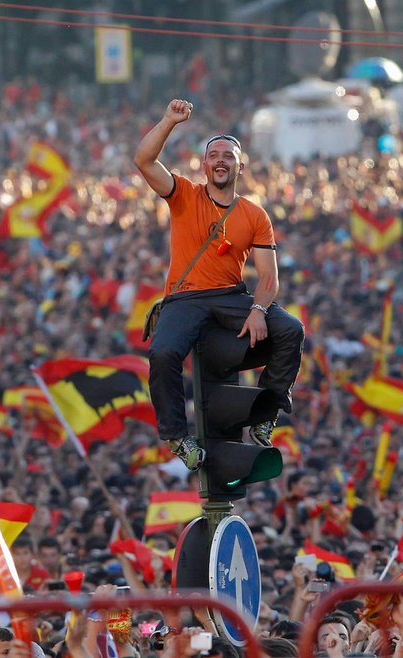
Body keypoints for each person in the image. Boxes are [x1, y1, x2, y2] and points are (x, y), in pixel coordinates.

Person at [133, 98, 305, 470]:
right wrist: (167, 121)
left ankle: (265, 414)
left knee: (291, 329)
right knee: (162, 354)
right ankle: (178, 437)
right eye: (214, 155)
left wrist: (259, 310)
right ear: (204, 165)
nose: (221, 160)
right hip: (185, 297)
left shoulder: (255, 215)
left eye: (229, 155)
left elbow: (269, 276)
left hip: (230, 296)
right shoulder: (184, 195)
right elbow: (143, 161)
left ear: (240, 165)